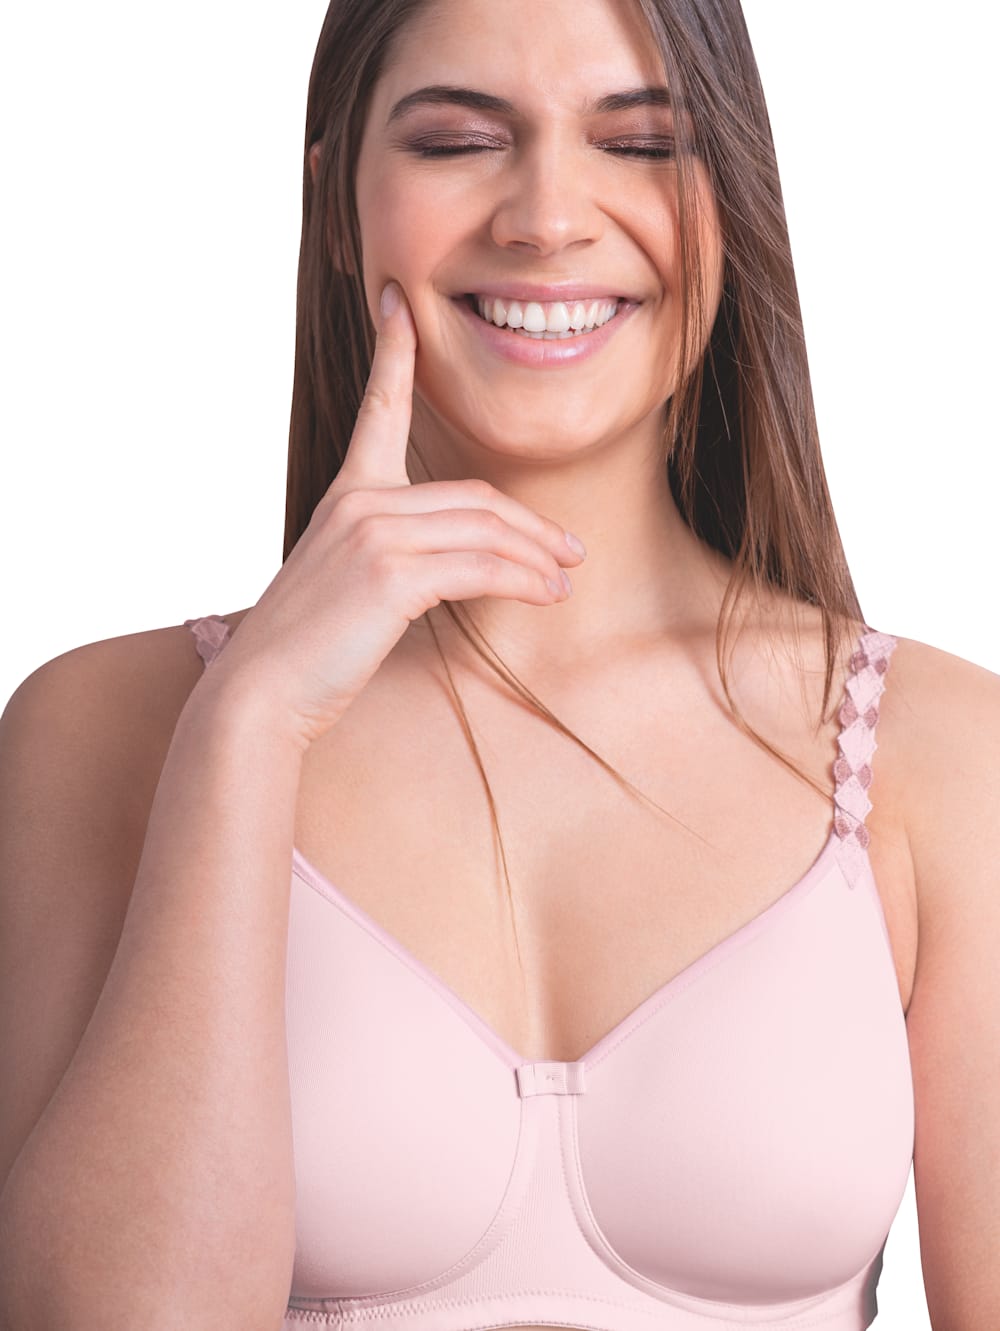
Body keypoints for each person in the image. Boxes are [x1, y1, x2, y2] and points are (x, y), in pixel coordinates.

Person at [0, 1, 996, 1329]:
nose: (548, 216)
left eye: (641, 145)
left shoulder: (939, 753)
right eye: (461, 141)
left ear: (731, 204)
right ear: (338, 202)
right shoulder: (106, 730)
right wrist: (249, 727)